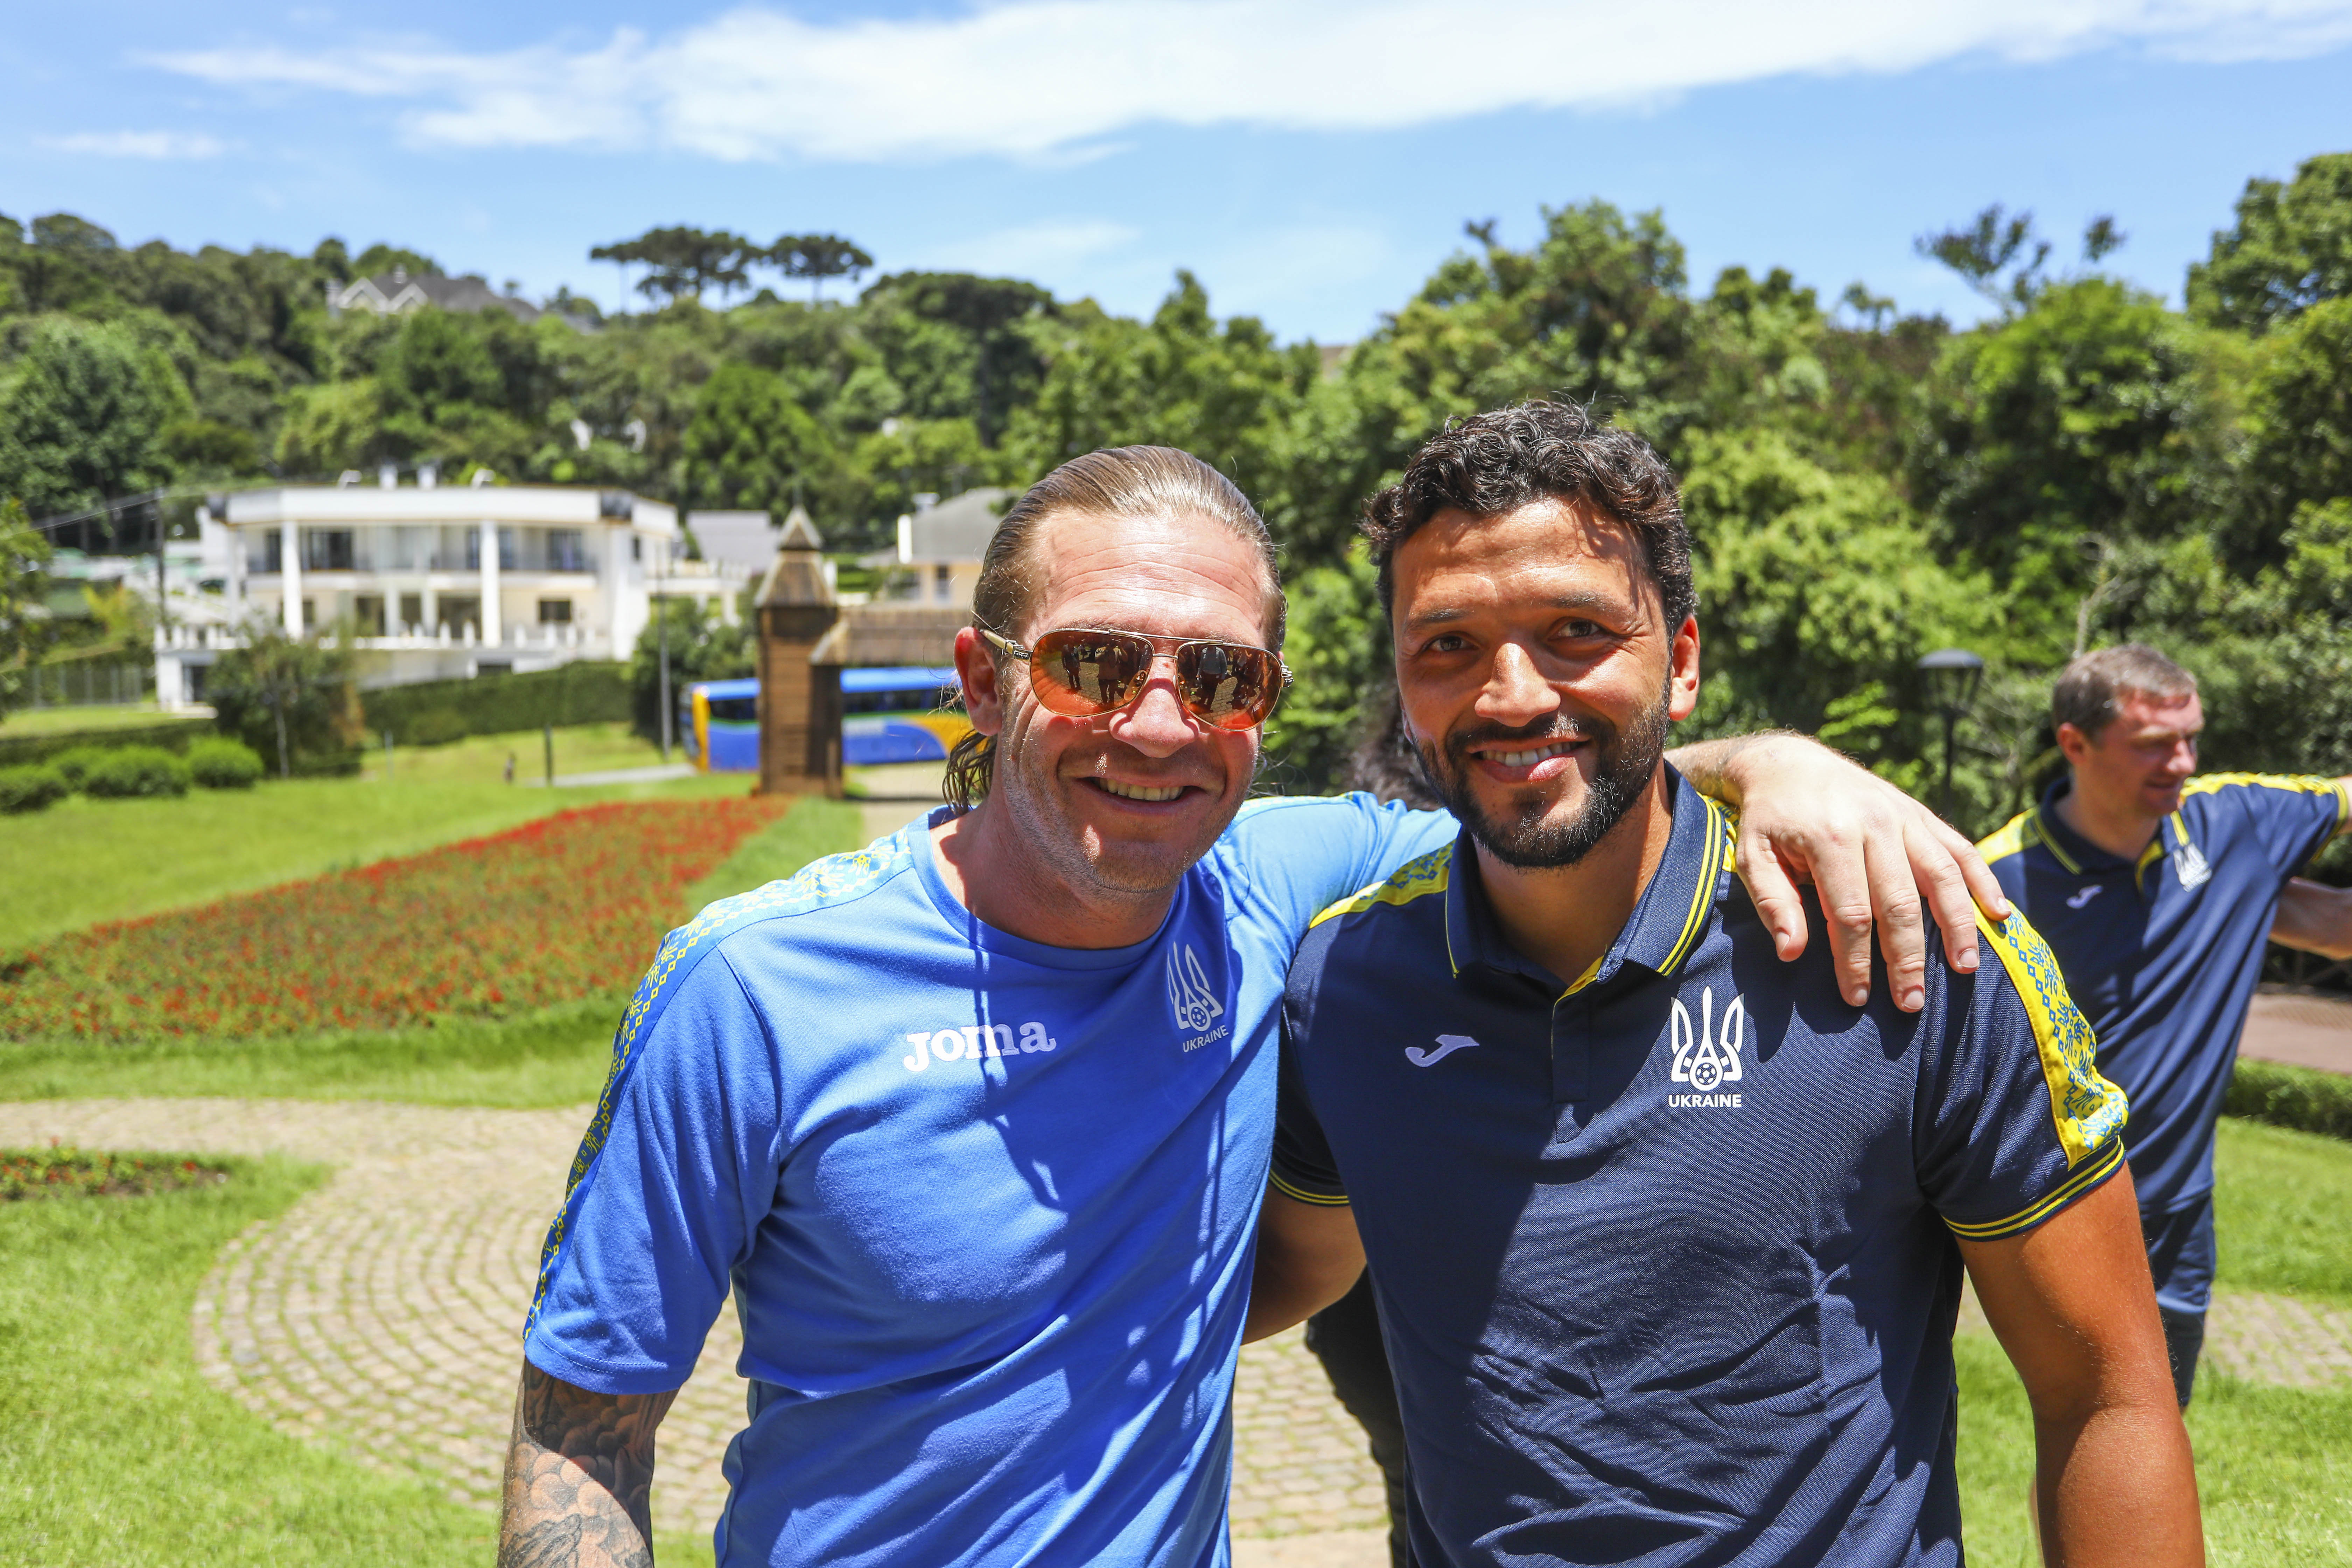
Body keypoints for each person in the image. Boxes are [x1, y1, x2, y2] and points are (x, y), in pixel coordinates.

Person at [500, 444, 2007, 1567]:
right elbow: (581, 1437)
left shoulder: (1282, 879)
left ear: (1264, 705)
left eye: (1220, 676)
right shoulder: (753, 988)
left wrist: (1778, 760)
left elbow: (1560, 779)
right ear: (982, 676)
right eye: (1095, 664)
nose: (1160, 725)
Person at [1252, 402, 2199, 1568]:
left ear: (1683, 661)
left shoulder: (1915, 947)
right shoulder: (1343, 985)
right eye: (1446, 644)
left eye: (1576, 630)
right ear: (1402, 685)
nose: (1510, 694)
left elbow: (2106, 1391)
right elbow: (1282, 1270)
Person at [1978, 644, 2352, 1405]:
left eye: (2191, 737)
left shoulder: (2231, 822)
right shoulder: (1995, 881)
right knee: (2092, 1425)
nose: (2182, 762)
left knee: (2159, 1427)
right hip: (2053, 1213)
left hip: (2180, 1213)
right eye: (2154, 744)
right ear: (2073, 744)